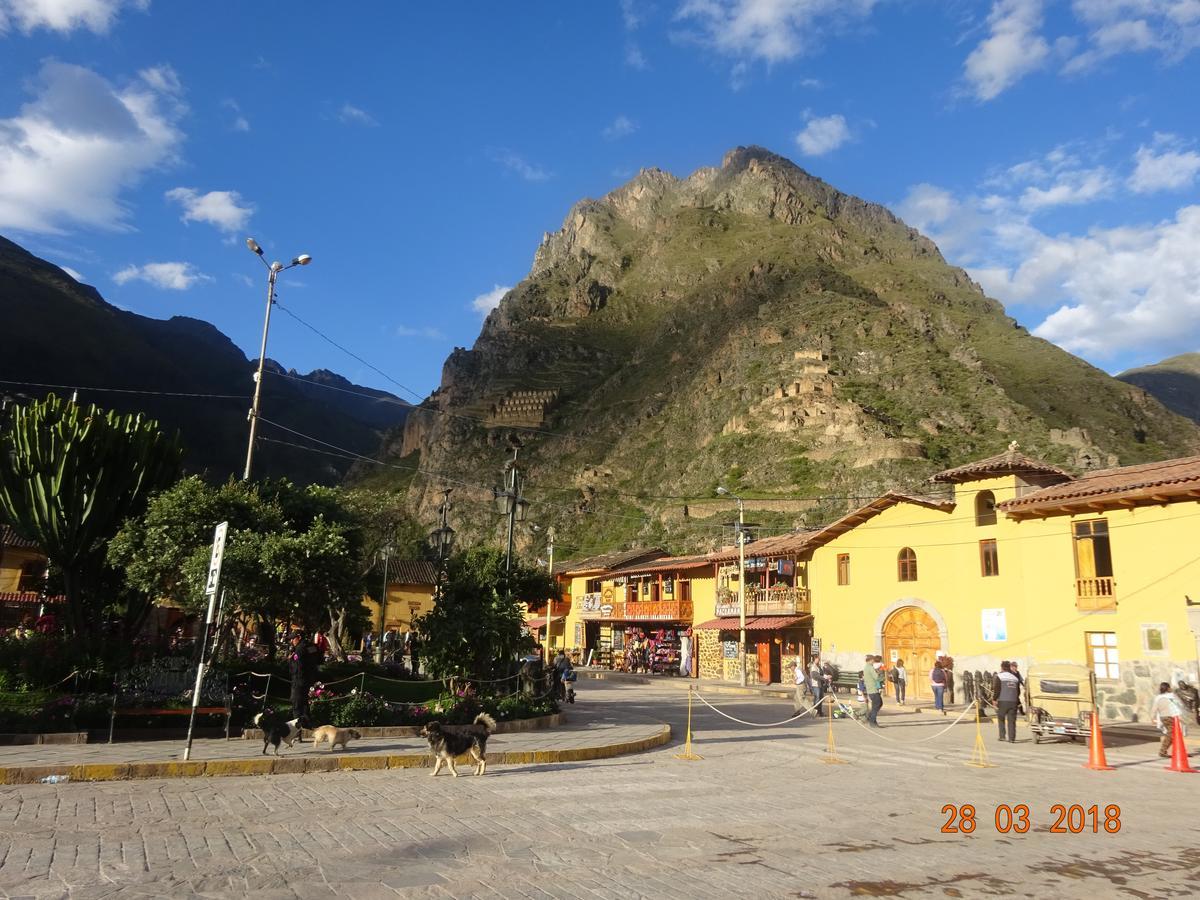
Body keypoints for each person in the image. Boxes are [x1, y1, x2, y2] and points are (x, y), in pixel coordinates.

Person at [1151, 681, 1186, 758]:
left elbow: (1154, 708)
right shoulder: (1172, 696)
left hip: (1163, 717)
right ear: (1168, 688)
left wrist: (1152, 717)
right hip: (1172, 717)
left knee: (1172, 734)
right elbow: (1180, 704)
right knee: (1172, 734)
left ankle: (1179, 751)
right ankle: (1163, 751)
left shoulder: (1158, 697)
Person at [993, 661, 1020, 743]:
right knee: (1012, 720)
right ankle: (1012, 738)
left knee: (1001, 718)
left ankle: (1002, 736)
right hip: (1013, 701)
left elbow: (997, 689)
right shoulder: (1015, 678)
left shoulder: (1000, 676)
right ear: (1009, 667)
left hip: (1003, 700)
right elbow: (1018, 691)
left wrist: (994, 699)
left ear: (1002, 668)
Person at [862, 655, 883, 726]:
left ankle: (869, 717)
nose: (873, 661)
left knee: (878, 704)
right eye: (873, 660)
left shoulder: (866, 667)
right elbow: (876, 677)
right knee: (877, 704)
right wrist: (881, 673)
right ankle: (872, 721)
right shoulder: (870, 668)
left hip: (870, 689)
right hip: (873, 689)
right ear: (870, 660)